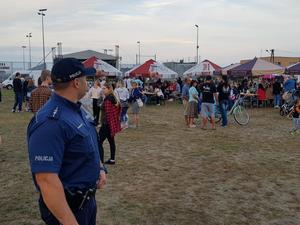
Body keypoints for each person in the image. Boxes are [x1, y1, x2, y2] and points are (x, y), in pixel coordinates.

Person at [27, 58, 107, 225]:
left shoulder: (76, 110)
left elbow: (88, 143)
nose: (88, 82)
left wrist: (99, 167)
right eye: (86, 78)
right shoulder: (50, 122)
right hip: (69, 209)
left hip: (86, 203)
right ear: (76, 82)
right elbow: (46, 180)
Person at [99, 83, 121, 165]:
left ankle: (100, 161)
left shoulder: (108, 100)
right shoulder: (113, 98)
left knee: (99, 142)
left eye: (104, 88)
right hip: (110, 124)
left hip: (106, 124)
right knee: (111, 141)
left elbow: (108, 114)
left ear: (109, 89)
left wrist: (106, 125)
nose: (102, 89)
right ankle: (112, 159)